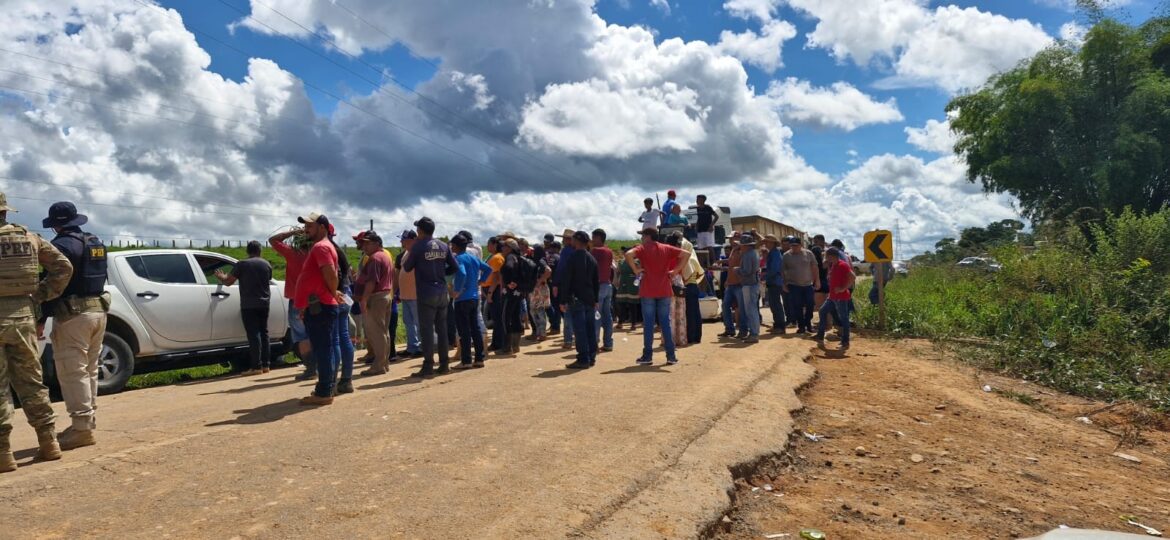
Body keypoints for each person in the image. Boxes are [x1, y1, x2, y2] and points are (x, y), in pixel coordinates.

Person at [0, 192, 73, 472]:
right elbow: (63, 267)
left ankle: (4, 454)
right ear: (6, 212)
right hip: (23, 318)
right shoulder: (28, 238)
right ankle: (49, 443)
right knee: (31, 382)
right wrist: (40, 295)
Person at [38, 202, 109, 451]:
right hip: (98, 312)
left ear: (56, 224)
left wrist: (41, 318)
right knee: (89, 369)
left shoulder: (60, 246)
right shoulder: (95, 242)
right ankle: (87, 422)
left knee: (72, 371)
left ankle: (81, 429)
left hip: (73, 316)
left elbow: (52, 285)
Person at [294, 212, 342, 406]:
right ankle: (326, 388)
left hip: (320, 306)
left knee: (322, 349)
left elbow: (330, 274)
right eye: (305, 225)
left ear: (322, 227)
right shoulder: (323, 246)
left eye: (310, 225)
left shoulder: (321, 247)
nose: (306, 229)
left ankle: (323, 393)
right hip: (318, 305)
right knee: (326, 348)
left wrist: (333, 291)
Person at [402, 217, 457, 378]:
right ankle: (445, 364)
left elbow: (407, 267)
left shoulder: (419, 246)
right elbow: (454, 267)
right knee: (442, 329)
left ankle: (428, 366)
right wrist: (441, 274)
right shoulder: (443, 245)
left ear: (420, 231)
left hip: (426, 293)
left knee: (426, 330)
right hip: (441, 292)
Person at [626, 226, 689, 366]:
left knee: (648, 324)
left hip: (648, 290)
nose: (642, 238)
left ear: (648, 236)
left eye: (643, 235)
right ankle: (671, 356)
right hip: (664, 290)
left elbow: (628, 254)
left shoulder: (642, 249)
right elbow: (686, 254)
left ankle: (647, 356)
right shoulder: (666, 248)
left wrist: (636, 270)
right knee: (665, 323)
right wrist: (675, 270)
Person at [214, 240, 273, 376]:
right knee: (264, 333)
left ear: (247, 251)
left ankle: (256, 366)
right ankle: (266, 365)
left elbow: (229, 281)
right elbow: (268, 278)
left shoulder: (242, 264)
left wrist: (221, 276)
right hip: (264, 303)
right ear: (260, 251)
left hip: (249, 304)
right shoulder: (266, 264)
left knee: (254, 335)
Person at [269, 227, 315, 380]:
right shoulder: (314, 254)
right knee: (316, 333)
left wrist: (292, 232)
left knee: (301, 335)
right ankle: (322, 365)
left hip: (297, 300)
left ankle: (310, 368)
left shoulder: (292, 254)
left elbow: (273, 240)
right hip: (315, 299)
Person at [451, 234, 492, 369]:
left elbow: (462, 273)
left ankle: (466, 360)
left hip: (462, 299)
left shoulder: (458, 258)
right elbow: (488, 269)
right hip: (474, 297)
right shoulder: (474, 258)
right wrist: (481, 281)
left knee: (464, 331)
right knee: (475, 328)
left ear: (455, 246)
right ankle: (479, 358)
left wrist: (457, 290)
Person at [356, 232, 394, 376]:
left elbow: (371, 282)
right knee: (384, 332)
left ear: (377, 243)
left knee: (377, 333)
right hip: (386, 295)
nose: (364, 246)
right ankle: (384, 363)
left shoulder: (375, 258)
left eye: (367, 243)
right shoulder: (385, 256)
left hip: (376, 297)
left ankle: (378, 365)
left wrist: (364, 299)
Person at [559, 231, 599, 369]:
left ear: (576, 240)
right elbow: (596, 281)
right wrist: (596, 299)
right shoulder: (591, 258)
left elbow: (567, 279)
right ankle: (591, 357)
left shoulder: (573, 257)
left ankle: (583, 359)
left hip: (576, 298)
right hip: (589, 298)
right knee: (590, 328)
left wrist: (563, 299)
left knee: (580, 330)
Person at [326, 225, 356, 395]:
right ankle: (346, 380)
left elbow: (333, 275)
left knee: (335, 339)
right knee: (343, 337)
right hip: (345, 295)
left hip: (336, 296)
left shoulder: (328, 250)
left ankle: (332, 382)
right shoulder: (338, 250)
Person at [815, 247, 855, 350]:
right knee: (822, 311)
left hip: (841, 297)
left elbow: (853, 277)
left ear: (832, 256)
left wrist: (843, 288)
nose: (826, 258)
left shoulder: (843, 265)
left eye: (827, 256)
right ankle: (820, 336)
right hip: (832, 297)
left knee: (844, 318)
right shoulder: (833, 265)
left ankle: (845, 342)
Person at [782, 236, 820, 334]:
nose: (794, 247)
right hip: (794, 284)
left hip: (808, 284)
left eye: (796, 245)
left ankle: (808, 323)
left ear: (801, 245)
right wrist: (784, 283)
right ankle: (801, 326)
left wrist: (817, 280)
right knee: (797, 306)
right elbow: (782, 271)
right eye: (792, 246)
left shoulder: (808, 253)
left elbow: (815, 267)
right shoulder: (786, 256)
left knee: (810, 304)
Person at [497, 239, 526, 355]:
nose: (502, 248)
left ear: (509, 248)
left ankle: (506, 347)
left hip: (509, 293)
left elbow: (508, 268)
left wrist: (509, 281)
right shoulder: (520, 257)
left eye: (504, 246)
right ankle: (516, 345)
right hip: (518, 293)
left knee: (505, 318)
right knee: (515, 317)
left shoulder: (510, 257)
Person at [396, 230, 422, 358]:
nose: (401, 242)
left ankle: (422, 347)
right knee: (408, 322)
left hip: (415, 294)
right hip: (406, 294)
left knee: (418, 322)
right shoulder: (406, 253)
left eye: (404, 239)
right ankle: (412, 347)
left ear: (412, 240)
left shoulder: (418, 252)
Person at [590, 229, 615, 352]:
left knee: (596, 316)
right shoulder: (609, 251)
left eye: (593, 237)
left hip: (598, 286)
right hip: (608, 285)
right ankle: (608, 343)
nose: (592, 240)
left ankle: (594, 344)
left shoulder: (595, 251)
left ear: (598, 238)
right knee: (607, 316)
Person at [733, 233, 761, 343]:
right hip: (752, 284)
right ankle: (754, 333)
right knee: (752, 309)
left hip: (749, 284)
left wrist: (737, 270)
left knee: (751, 310)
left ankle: (754, 334)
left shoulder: (748, 255)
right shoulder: (754, 253)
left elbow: (747, 271)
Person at [678, 232, 705, 345]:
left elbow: (686, 275)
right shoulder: (693, 258)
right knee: (694, 312)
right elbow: (700, 273)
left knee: (690, 313)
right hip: (693, 286)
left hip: (688, 286)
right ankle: (696, 337)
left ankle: (691, 336)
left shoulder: (687, 260)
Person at [552, 228, 577, 350]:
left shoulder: (566, 251)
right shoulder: (579, 250)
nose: (562, 241)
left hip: (566, 285)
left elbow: (561, 269)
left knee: (567, 312)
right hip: (578, 285)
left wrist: (555, 283)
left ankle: (568, 340)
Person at [483, 236, 506, 352]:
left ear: (495, 245)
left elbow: (496, 277)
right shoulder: (493, 257)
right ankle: (497, 343)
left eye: (489, 244)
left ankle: (498, 343)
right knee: (497, 317)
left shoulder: (497, 258)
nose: (487, 246)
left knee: (497, 318)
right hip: (492, 289)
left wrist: (490, 293)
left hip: (494, 290)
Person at [719, 237, 745, 339]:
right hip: (730, 284)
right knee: (725, 306)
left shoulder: (742, 252)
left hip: (739, 284)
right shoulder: (733, 251)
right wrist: (727, 280)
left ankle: (743, 330)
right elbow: (730, 266)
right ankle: (729, 329)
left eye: (733, 239)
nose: (731, 241)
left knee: (741, 308)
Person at [528, 245, 553, 342]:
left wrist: (540, 281)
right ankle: (539, 332)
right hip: (536, 289)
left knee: (540, 311)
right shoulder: (535, 261)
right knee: (533, 310)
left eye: (533, 251)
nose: (532, 252)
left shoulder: (541, 261)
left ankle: (542, 334)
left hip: (540, 289)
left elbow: (548, 271)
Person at [762, 235, 786, 334]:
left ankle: (780, 326)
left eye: (767, 242)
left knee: (775, 304)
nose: (766, 244)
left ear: (772, 243)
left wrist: (765, 277)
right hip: (773, 281)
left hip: (775, 281)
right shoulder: (773, 253)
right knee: (774, 304)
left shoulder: (775, 254)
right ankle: (777, 325)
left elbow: (774, 269)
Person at [614, 248, 641, 331]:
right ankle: (620, 322)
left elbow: (639, 273)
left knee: (632, 305)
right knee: (621, 304)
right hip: (623, 284)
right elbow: (618, 272)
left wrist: (638, 281)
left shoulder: (636, 262)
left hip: (632, 284)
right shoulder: (621, 262)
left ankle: (633, 324)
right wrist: (616, 280)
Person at [693, 194, 720, 261]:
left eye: (698, 199)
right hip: (700, 230)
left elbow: (716, 216)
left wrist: (711, 225)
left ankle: (714, 263)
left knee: (709, 247)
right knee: (701, 248)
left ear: (703, 200)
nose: (697, 201)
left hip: (708, 230)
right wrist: (696, 226)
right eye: (696, 199)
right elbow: (696, 219)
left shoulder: (708, 207)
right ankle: (702, 266)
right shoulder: (696, 209)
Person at [811, 234, 829, 310]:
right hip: (826, 279)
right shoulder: (828, 251)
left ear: (822, 241)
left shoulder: (816, 250)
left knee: (819, 304)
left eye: (816, 241)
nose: (814, 243)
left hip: (819, 279)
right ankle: (828, 320)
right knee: (827, 303)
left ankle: (824, 320)